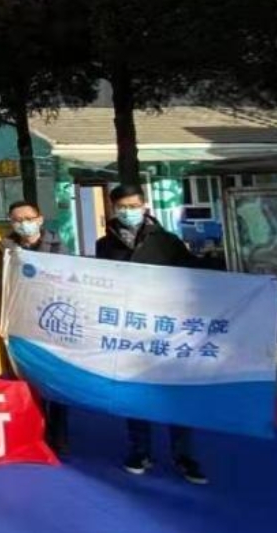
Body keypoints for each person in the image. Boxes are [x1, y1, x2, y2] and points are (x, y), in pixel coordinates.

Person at [95, 183, 206, 483]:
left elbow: (194, 277)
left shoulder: (167, 242)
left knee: (175, 394)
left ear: (144, 206)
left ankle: (184, 456)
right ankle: (140, 450)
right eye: (122, 207)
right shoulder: (105, 245)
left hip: (168, 329)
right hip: (129, 329)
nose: (128, 211)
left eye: (133, 206)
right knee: (135, 393)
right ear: (113, 208)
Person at [0, 200, 68, 453]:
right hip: (18, 323)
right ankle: (31, 433)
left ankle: (58, 436)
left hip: (51, 323)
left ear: (40, 219)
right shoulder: (4, 250)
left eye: (28, 218)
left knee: (54, 381)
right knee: (24, 380)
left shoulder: (60, 248)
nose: (23, 224)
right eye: (17, 220)